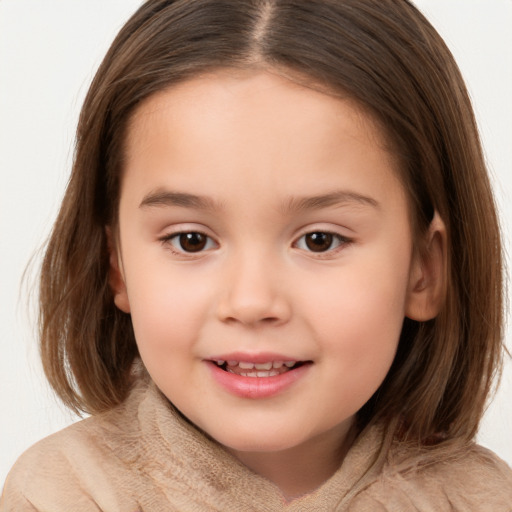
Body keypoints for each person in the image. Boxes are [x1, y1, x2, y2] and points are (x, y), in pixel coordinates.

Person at [2, 0, 511, 509]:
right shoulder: (63, 493)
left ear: (424, 271)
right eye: (191, 240)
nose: (251, 302)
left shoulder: (480, 499)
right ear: (118, 267)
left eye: (320, 240)